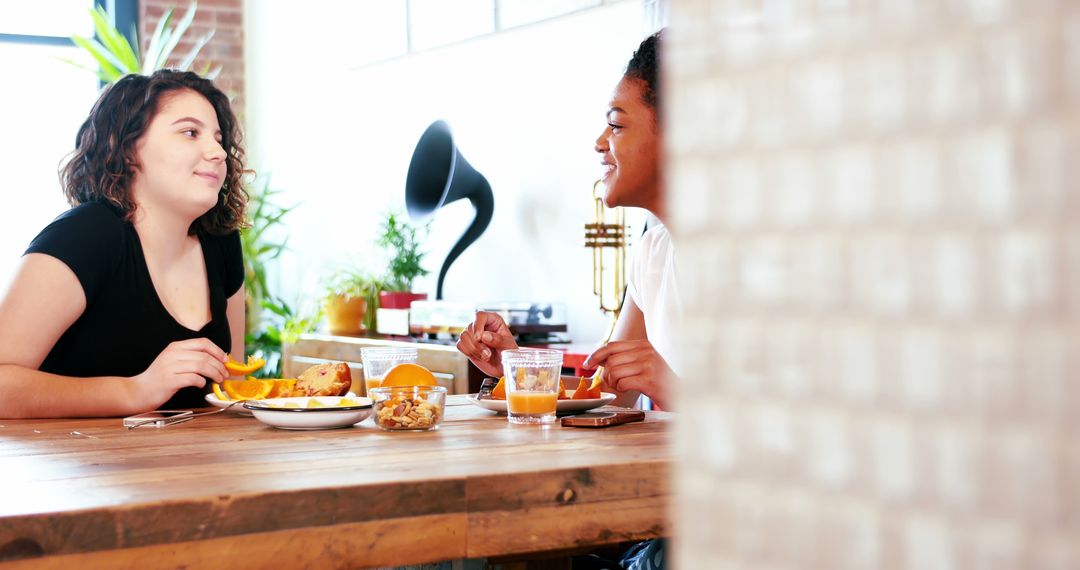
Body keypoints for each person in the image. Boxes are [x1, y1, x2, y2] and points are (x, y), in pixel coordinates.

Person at [0, 70, 248, 419]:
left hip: (195, 467)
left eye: (218, 138)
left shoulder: (220, 241)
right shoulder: (84, 236)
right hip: (80, 471)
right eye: (190, 133)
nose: (218, 152)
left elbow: (230, 387)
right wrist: (135, 390)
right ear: (128, 149)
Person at [457, 30, 677, 412]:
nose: (600, 141)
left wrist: (674, 388)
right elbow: (611, 392)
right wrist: (517, 366)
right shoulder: (653, 252)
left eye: (617, 124)